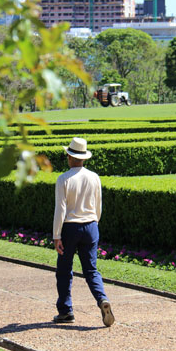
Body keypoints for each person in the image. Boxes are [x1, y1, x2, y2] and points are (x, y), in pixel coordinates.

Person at [52, 137, 115, 327]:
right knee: (91, 270)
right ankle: (102, 298)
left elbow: (60, 209)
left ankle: (66, 311)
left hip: (70, 227)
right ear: (84, 157)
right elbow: (98, 205)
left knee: (64, 270)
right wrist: (94, 223)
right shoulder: (94, 177)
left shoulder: (63, 179)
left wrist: (56, 236)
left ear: (70, 157)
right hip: (90, 225)